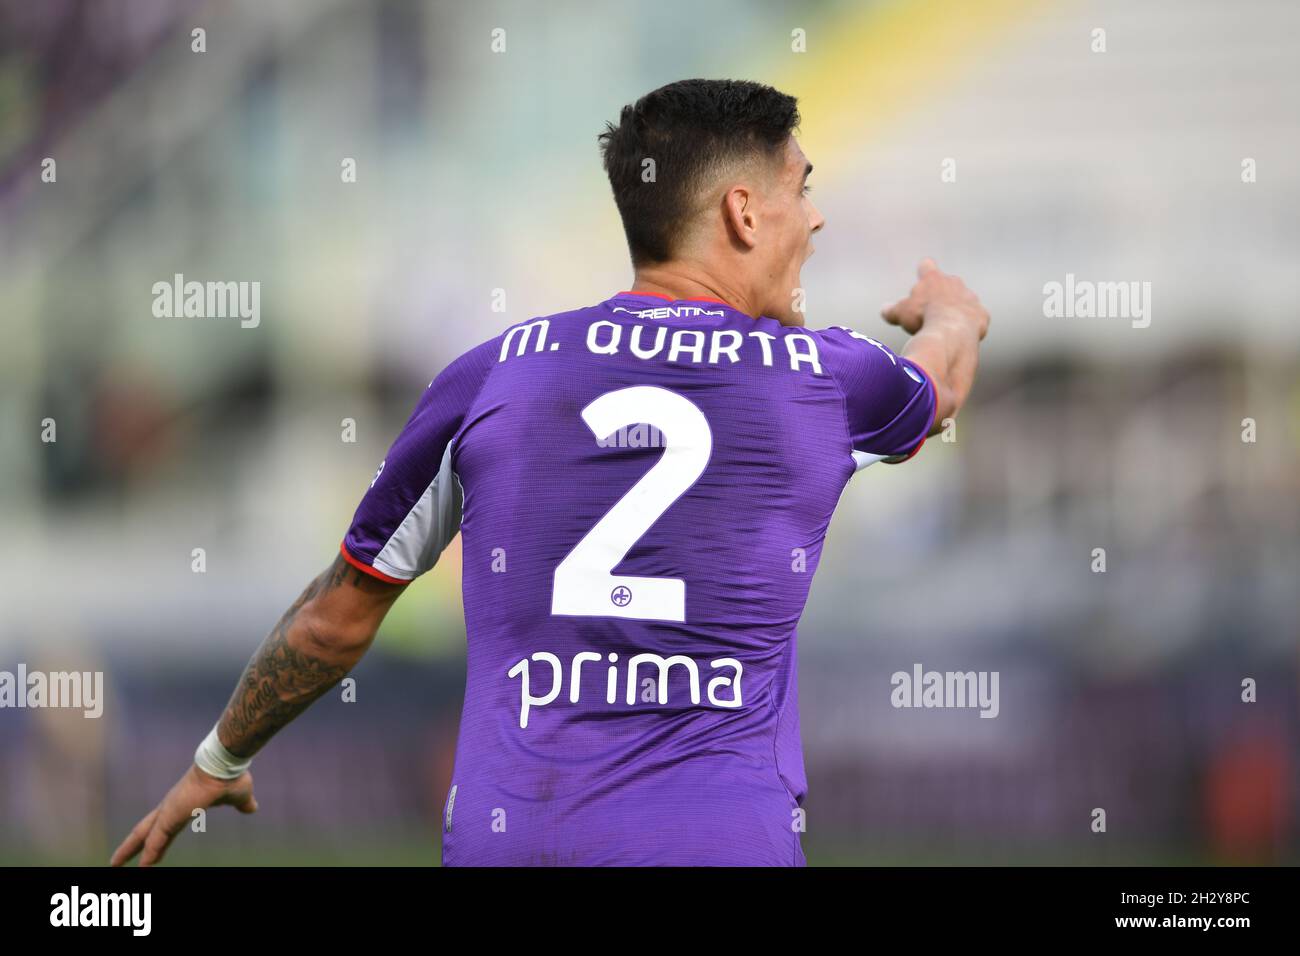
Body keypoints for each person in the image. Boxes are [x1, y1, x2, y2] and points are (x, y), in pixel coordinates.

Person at [112, 78, 989, 867]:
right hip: (718, 841)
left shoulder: (494, 372)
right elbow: (937, 387)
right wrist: (950, 313)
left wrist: (217, 760)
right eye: (802, 189)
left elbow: (332, 623)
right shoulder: (824, 380)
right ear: (744, 214)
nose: (817, 215)